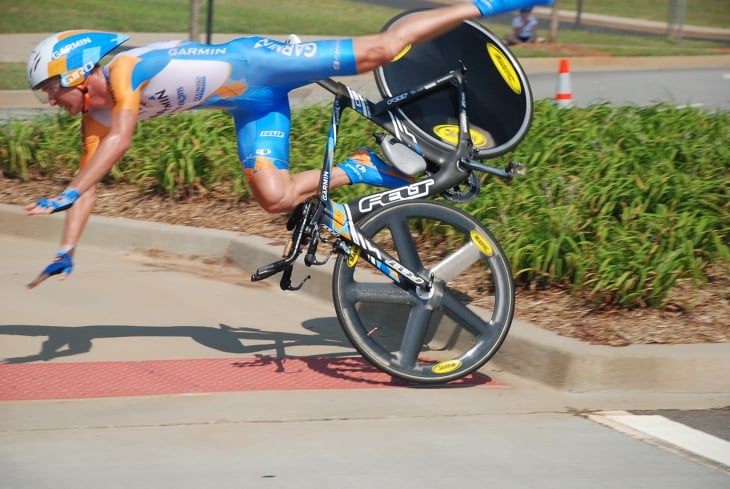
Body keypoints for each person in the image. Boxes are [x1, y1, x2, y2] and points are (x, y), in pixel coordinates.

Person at [23, 0, 552, 289]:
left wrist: (68, 189)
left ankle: (495, 2)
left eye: (50, 89)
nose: (51, 102)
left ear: (76, 70)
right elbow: (89, 185)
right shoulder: (96, 113)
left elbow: (123, 138)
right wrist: (67, 246)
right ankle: (378, 164)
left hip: (262, 61)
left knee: (384, 49)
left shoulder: (124, 69)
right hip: (252, 105)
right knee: (276, 196)